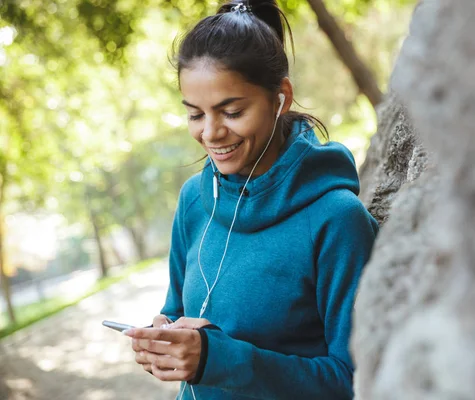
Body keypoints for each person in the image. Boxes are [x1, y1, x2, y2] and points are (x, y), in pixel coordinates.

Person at [123, 0, 378, 398]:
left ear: (281, 98)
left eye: (232, 111)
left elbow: (353, 381)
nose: (211, 133)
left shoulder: (337, 220)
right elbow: (176, 308)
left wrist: (219, 359)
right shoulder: (193, 200)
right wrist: (166, 338)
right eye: (195, 114)